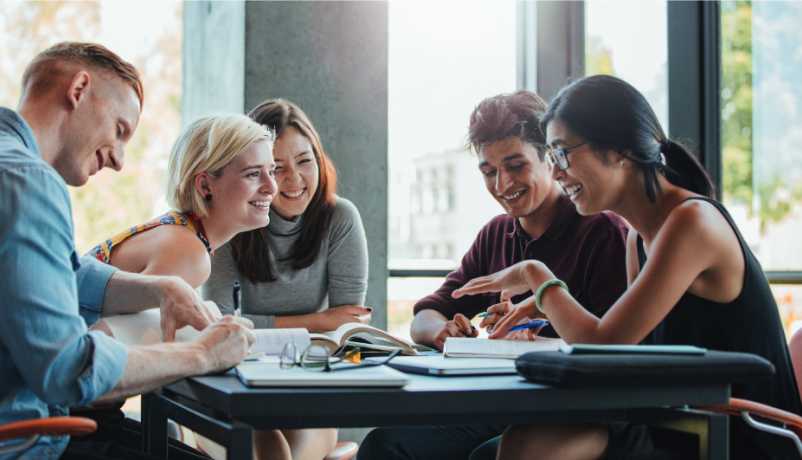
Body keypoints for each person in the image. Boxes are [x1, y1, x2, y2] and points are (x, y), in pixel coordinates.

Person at [453, 75, 802, 460]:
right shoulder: (638, 239)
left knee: (525, 446)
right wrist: (546, 305)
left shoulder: (692, 223)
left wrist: (536, 276)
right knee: (511, 446)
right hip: (675, 423)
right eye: (551, 157)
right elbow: (624, 358)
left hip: (737, 437)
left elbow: (603, 345)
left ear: (620, 149)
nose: (554, 172)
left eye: (563, 154)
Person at [0, 42, 256, 460]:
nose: (119, 160)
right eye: (119, 129)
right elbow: (68, 372)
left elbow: (62, 273)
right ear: (79, 89)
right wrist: (200, 353)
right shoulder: (29, 181)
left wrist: (162, 289)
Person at [358, 89, 630, 460]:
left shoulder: (602, 230)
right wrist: (441, 332)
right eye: (489, 171)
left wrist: (539, 328)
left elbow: (614, 348)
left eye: (516, 166)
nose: (502, 185)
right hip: (506, 406)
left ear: (549, 158)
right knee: (383, 445)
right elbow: (427, 312)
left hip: (575, 413)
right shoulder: (496, 234)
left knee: (487, 456)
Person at [203, 99, 369, 459]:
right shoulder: (233, 221)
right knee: (256, 445)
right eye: (276, 168)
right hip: (241, 380)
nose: (294, 180)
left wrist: (323, 326)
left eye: (305, 161)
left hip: (309, 383)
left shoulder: (339, 217)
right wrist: (318, 321)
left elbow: (347, 329)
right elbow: (215, 324)